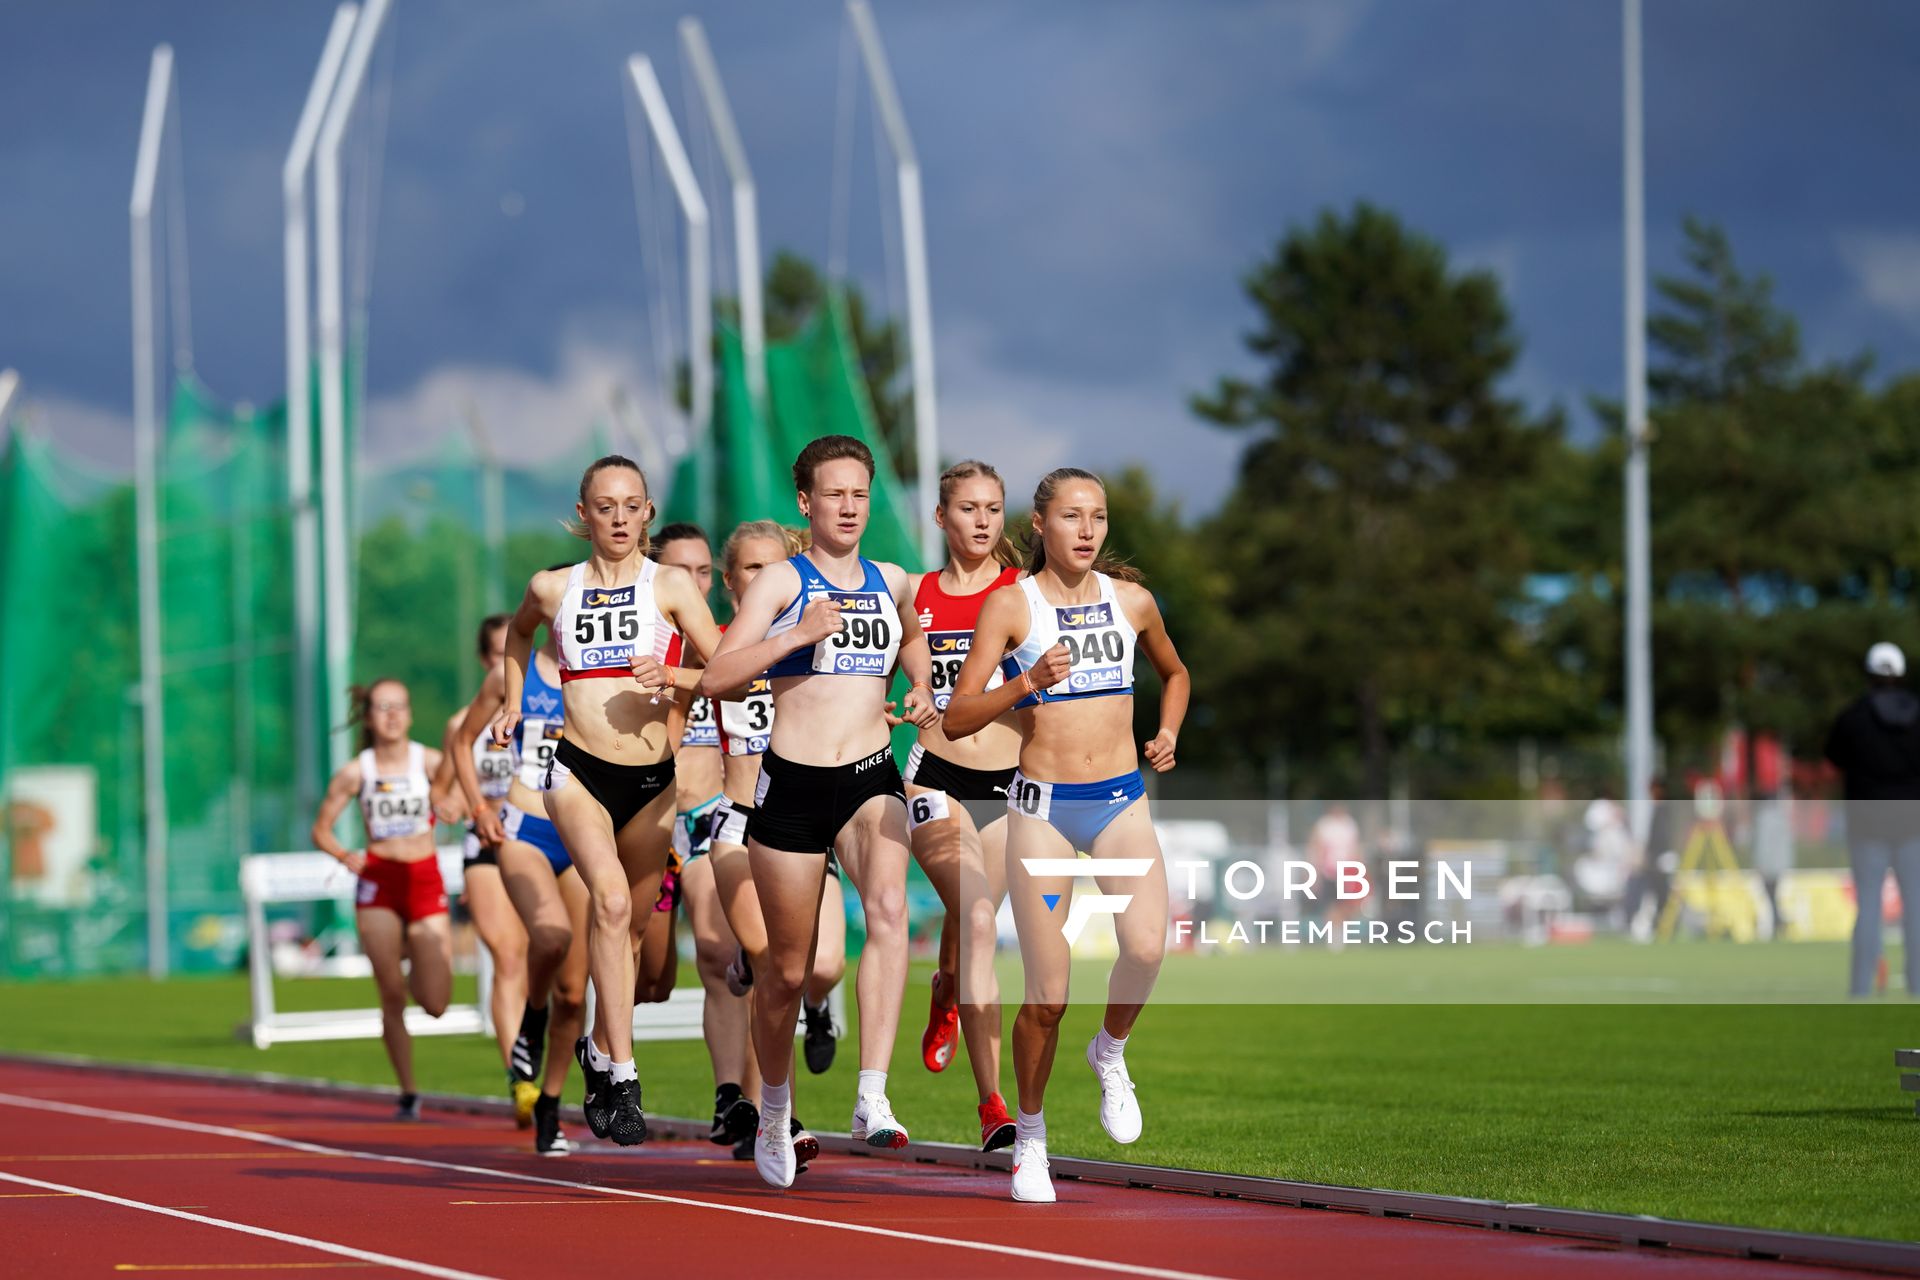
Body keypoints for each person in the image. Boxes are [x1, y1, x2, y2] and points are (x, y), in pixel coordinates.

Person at [945, 466, 1189, 1204]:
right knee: (1047, 997)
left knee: (1148, 945)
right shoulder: (1010, 608)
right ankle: (1032, 1135)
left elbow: (1175, 674)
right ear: (1041, 525)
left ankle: (1109, 1051)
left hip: (1119, 802)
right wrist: (1028, 683)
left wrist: (1168, 730)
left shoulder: (1133, 602)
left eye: (1099, 517)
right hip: (1043, 810)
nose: (1088, 531)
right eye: (1073, 517)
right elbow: (957, 718)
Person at [702, 435, 939, 1188]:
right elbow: (718, 677)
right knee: (785, 970)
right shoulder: (778, 582)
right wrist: (797, 635)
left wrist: (924, 686)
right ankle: (774, 1111)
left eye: (860, 493)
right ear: (807, 503)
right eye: (834, 493)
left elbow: (913, 636)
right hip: (791, 785)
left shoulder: (891, 578)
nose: (849, 506)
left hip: (869, 774)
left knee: (892, 907)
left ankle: (872, 1095)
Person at [491, 455, 723, 1147]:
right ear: (582, 515)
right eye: (605, 506)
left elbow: (727, 673)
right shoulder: (553, 586)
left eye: (631, 505)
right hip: (577, 772)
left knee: (631, 936)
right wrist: (510, 700)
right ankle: (621, 1074)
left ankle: (596, 1047)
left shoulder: (673, 586)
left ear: (648, 512)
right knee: (613, 903)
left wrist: (675, 671)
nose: (619, 518)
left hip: (653, 783)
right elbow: (517, 634)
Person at [904, 460, 1022, 1152]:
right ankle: (993, 1108)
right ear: (941, 517)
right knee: (977, 916)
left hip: (1009, 789)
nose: (982, 521)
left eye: (993, 508)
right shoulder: (914, 597)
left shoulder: (1023, 593)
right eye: (968, 508)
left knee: (971, 919)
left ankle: (945, 989)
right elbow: (875, 685)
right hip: (933, 777)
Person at [443, 597, 586, 1156]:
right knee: (548, 935)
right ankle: (530, 1019)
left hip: (585, 833)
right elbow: (460, 740)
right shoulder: (517, 677)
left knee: (575, 994)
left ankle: (548, 1102)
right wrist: (479, 808)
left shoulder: (611, 676)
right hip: (526, 826)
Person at [310, 679, 452, 1120]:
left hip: (424, 878)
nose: (392, 715)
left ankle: (415, 965)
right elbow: (321, 828)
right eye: (382, 707)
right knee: (391, 994)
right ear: (369, 718)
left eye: (400, 707)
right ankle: (409, 1091)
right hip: (379, 883)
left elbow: (464, 793)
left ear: (410, 714)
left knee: (435, 1003)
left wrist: (456, 805)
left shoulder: (429, 761)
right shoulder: (358, 771)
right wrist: (342, 854)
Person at [429, 614, 535, 1125]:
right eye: (495, 655)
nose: (503, 663)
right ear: (483, 661)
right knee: (508, 954)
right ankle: (521, 1078)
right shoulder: (460, 724)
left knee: (548, 958)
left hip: (538, 838)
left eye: (510, 652)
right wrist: (460, 806)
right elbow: (441, 789)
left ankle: (545, 1054)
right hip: (487, 844)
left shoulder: (543, 702)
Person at [1823, 641, 1920, 998]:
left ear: (1869, 676)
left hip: (1868, 823)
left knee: (1868, 906)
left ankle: (1860, 988)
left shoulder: (1853, 718)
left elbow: (1833, 756)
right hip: (1914, 822)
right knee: (1917, 906)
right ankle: (1917, 986)